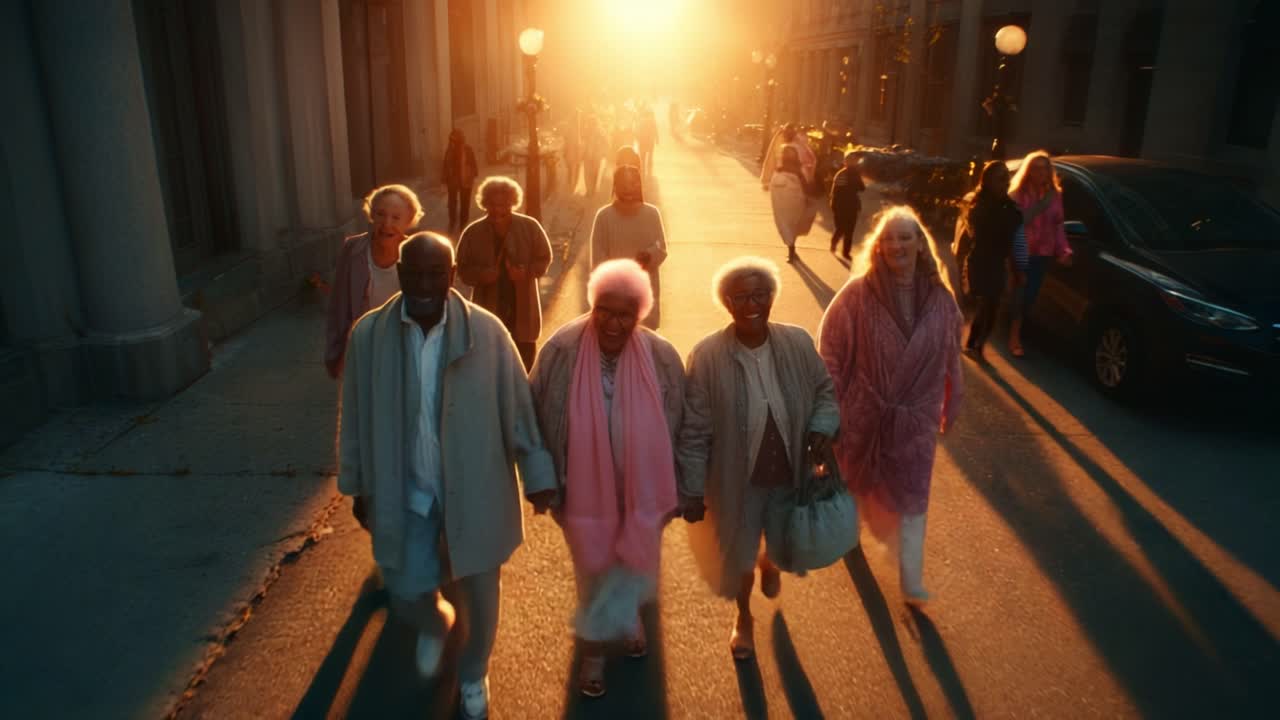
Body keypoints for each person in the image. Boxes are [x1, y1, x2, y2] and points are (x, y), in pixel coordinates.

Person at [338, 232, 557, 719]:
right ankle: (436, 625)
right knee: (406, 588)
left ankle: (474, 671)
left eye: (435, 273)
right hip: (404, 488)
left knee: (480, 592)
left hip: (476, 486)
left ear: (452, 275)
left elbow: (518, 409)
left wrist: (537, 472)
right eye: (413, 272)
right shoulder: (369, 336)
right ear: (398, 272)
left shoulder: (488, 332)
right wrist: (356, 485)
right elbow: (354, 413)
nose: (422, 283)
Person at [529, 259, 685, 698]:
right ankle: (594, 653)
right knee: (593, 566)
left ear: (640, 315)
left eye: (625, 315)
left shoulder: (661, 355)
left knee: (635, 556)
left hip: (644, 486)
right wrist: (540, 477)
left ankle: (630, 615)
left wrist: (688, 486)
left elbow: (688, 423)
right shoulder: (561, 350)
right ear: (592, 306)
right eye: (605, 311)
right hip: (579, 485)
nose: (614, 323)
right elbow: (531, 416)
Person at [679, 257, 840, 661]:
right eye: (741, 297)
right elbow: (695, 429)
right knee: (739, 553)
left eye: (760, 294)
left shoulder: (797, 342)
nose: (752, 304)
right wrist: (693, 489)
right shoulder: (707, 356)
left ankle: (771, 559)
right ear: (727, 304)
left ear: (772, 298)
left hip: (790, 471)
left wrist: (821, 426)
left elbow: (824, 390)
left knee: (780, 540)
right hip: (737, 477)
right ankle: (744, 618)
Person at [818, 206, 963, 605]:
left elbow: (952, 354)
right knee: (858, 482)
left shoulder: (940, 298)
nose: (898, 245)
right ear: (879, 246)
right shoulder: (858, 294)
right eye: (890, 238)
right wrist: (829, 407)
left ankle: (910, 580)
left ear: (920, 244)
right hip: (865, 409)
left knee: (914, 495)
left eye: (906, 237)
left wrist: (955, 398)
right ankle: (852, 536)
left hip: (918, 417)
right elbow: (830, 349)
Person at [325, 184, 424, 379]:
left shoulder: (417, 254)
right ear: (371, 215)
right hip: (362, 344)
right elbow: (339, 305)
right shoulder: (353, 250)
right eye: (380, 214)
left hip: (402, 347)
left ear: (409, 222)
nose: (387, 223)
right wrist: (337, 352)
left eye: (396, 217)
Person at [456, 176, 553, 371]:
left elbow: (544, 257)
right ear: (484, 204)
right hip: (488, 308)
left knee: (524, 366)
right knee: (490, 366)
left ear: (512, 203)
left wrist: (525, 272)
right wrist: (482, 276)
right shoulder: (473, 233)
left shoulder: (530, 227)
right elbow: (462, 268)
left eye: (503, 204)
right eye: (492, 204)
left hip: (523, 309)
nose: (498, 210)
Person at [954, 161, 1022, 362]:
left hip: (997, 263)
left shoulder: (1007, 206)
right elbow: (986, 231)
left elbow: (1013, 229)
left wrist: (1014, 269)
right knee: (987, 303)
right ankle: (975, 345)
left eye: (1006, 178)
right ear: (988, 181)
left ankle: (977, 345)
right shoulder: (979, 206)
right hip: (981, 262)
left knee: (992, 306)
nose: (1005, 183)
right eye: (1000, 179)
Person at [1008, 150, 1072, 357]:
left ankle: (1016, 327)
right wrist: (1039, 206)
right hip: (1021, 250)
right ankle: (1014, 337)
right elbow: (1016, 222)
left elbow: (1058, 226)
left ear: (1049, 172)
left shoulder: (1055, 195)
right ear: (1028, 171)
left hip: (1042, 254)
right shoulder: (1018, 193)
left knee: (1029, 296)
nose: (1040, 172)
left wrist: (1064, 250)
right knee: (1021, 292)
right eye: (1035, 168)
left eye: (1044, 168)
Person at [589, 166, 669, 328]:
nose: (628, 188)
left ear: (639, 186)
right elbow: (598, 257)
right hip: (613, 296)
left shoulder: (651, 214)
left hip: (645, 291)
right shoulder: (604, 216)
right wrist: (617, 281)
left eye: (633, 183)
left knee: (645, 343)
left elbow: (661, 248)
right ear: (615, 186)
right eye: (623, 184)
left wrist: (647, 257)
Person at [769, 145, 810, 264]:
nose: (789, 155)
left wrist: (807, 196)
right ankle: (791, 251)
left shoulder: (800, 168)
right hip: (783, 202)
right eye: (787, 153)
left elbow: (805, 184)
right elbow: (774, 185)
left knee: (794, 225)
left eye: (791, 153)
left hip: (796, 201)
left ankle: (792, 249)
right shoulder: (779, 169)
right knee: (785, 225)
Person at [828, 150, 866, 260]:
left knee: (849, 230)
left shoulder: (853, 174)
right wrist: (834, 205)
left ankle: (845, 252)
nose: (853, 162)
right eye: (851, 160)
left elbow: (862, 188)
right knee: (841, 228)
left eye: (854, 160)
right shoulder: (842, 174)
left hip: (851, 206)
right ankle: (834, 244)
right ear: (846, 161)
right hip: (841, 205)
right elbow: (836, 192)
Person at [443, 129, 479, 234]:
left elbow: (473, 163)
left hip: (465, 180)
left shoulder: (467, 149)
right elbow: (446, 165)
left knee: (465, 203)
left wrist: (472, 175)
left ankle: (463, 224)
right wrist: (444, 179)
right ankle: (452, 221)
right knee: (452, 203)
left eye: (455, 138)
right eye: (452, 139)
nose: (453, 141)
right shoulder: (449, 150)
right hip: (453, 181)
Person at [581, 114, 608, 197]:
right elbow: (582, 142)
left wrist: (603, 151)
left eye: (592, 122)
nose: (591, 124)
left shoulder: (600, 131)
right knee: (588, 173)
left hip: (596, 155)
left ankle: (591, 189)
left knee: (592, 173)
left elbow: (605, 142)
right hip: (590, 155)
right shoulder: (586, 131)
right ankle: (589, 190)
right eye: (590, 122)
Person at [636, 103, 658, 176]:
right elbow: (655, 130)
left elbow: (638, 130)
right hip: (650, 140)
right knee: (650, 154)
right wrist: (657, 139)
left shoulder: (641, 121)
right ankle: (649, 168)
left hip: (642, 140)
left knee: (643, 155)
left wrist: (637, 138)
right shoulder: (652, 121)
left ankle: (642, 168)